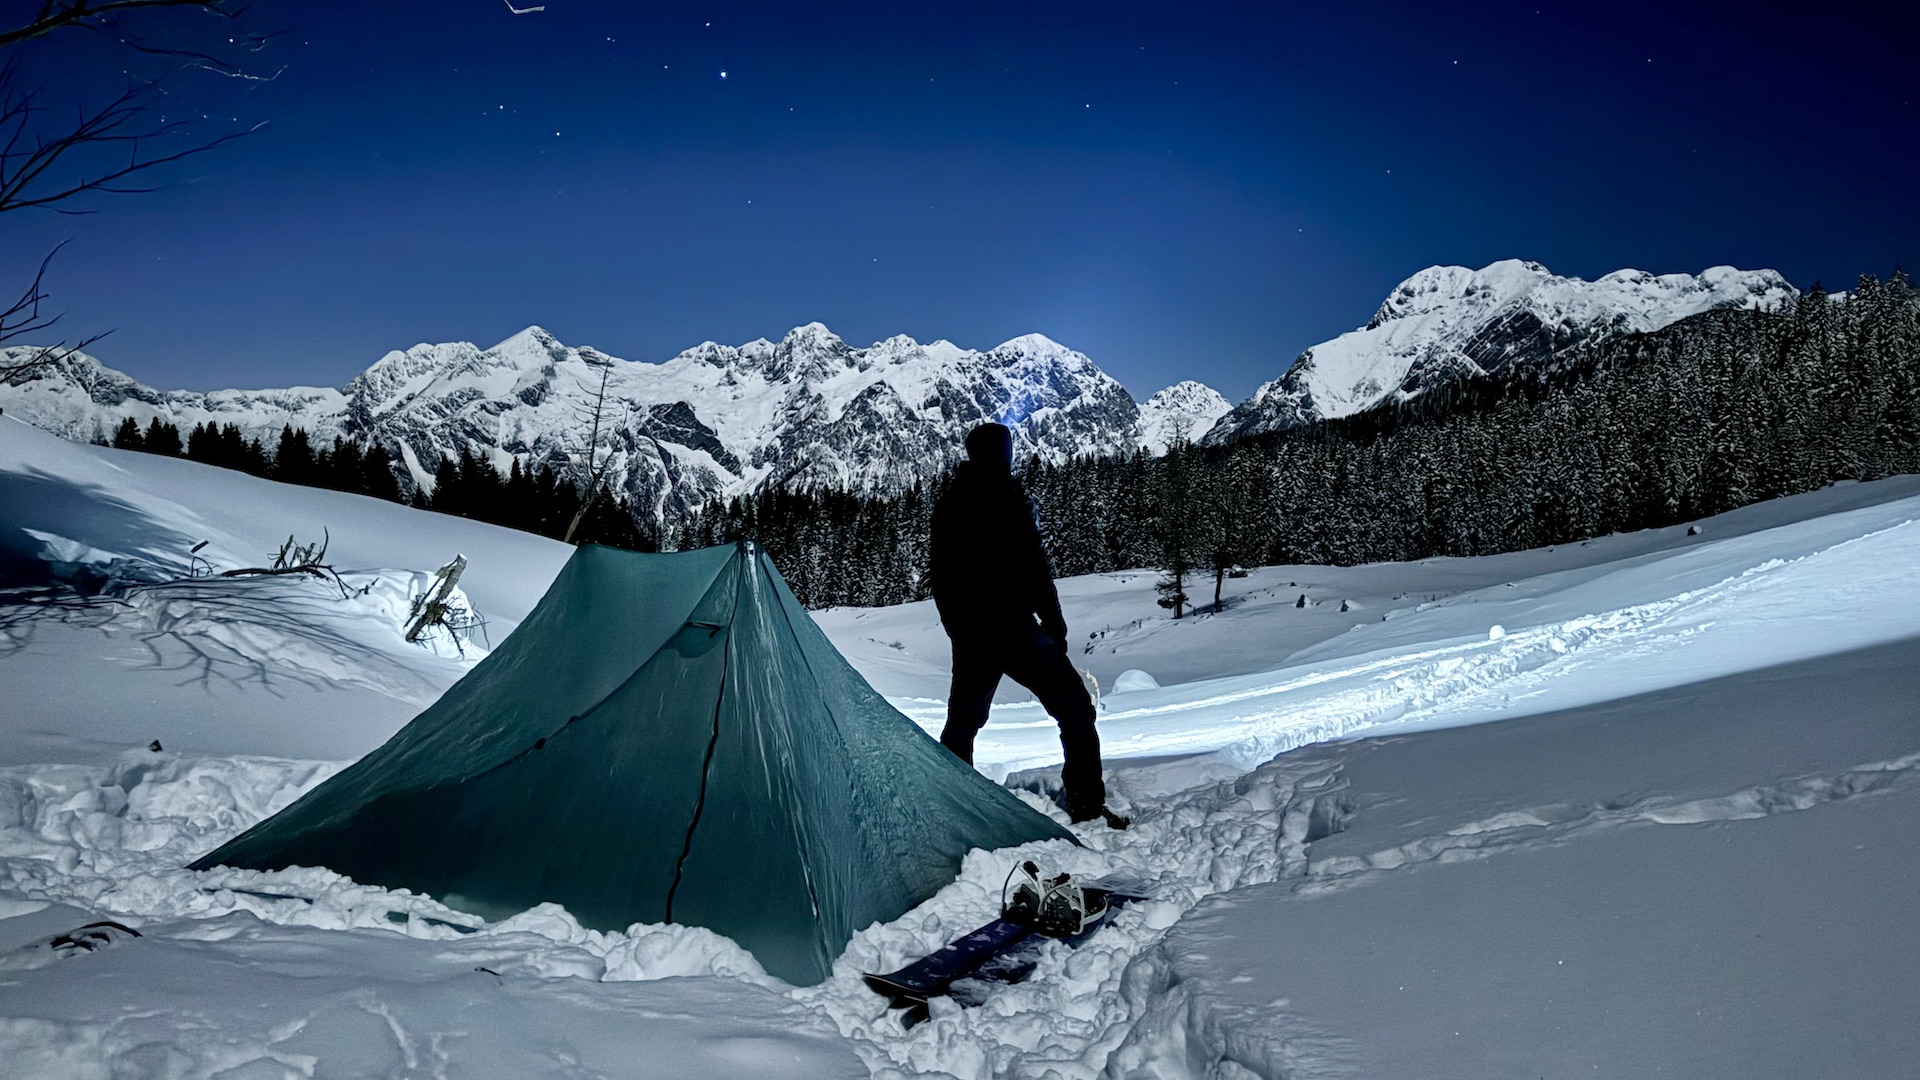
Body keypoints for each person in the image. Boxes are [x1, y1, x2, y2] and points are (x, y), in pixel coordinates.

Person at [928, 422, 1129, 829]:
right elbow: (1036, 567)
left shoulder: (950, 502)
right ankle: (1087, 804)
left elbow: (941, 577)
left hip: (974, 633)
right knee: (1074, 707)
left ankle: (948, 807)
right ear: (1000, 453)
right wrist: (1054, 624)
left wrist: (957, 628)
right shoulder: (1013, 499)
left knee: (963, 723)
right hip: (1015, 628)